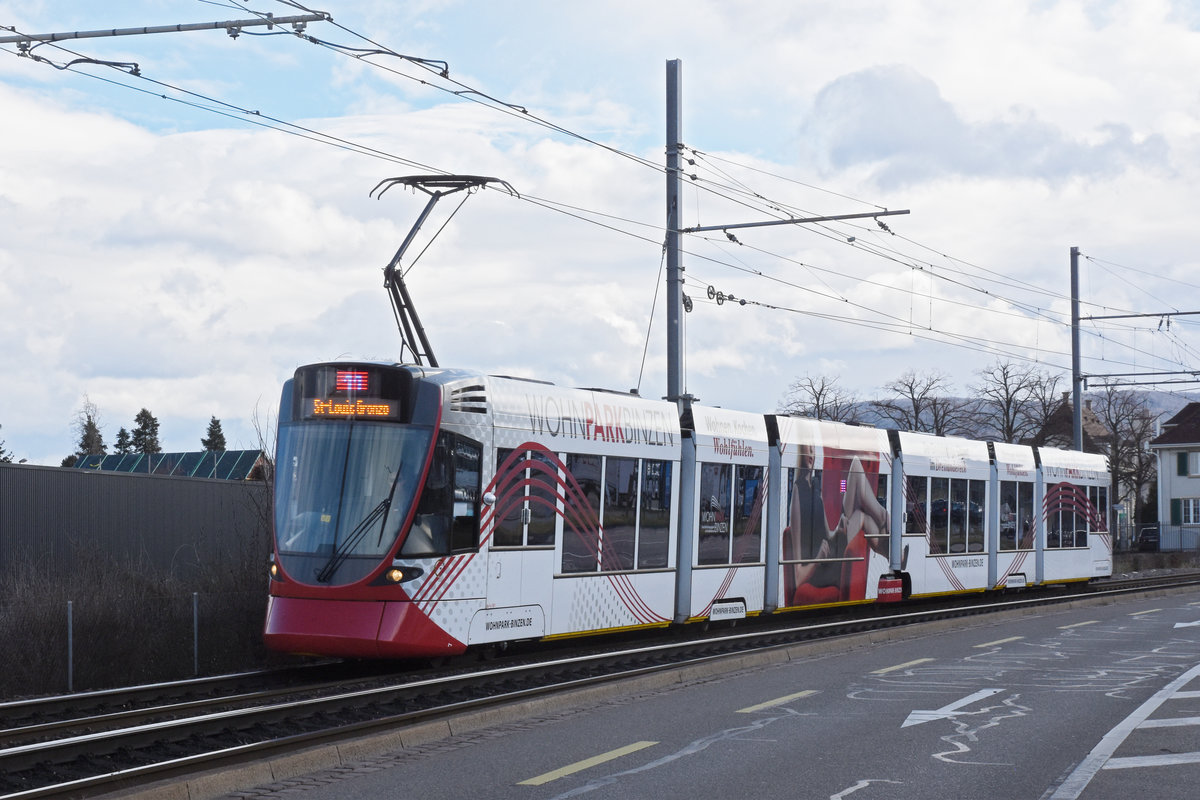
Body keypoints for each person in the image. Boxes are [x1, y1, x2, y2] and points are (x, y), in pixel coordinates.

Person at [784, 444, 889, 605]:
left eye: (813, 447)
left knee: (861, 515)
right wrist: (819, 557)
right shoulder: (799, 492)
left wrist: (838, 531)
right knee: (856, 473)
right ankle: (885, 524)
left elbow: (826, 533)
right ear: (800, 451)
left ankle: (891, 547)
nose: (811, 452)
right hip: (822, 571)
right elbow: (798, 577)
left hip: (831, 555)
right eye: (807, 447)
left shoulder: (815, 485)